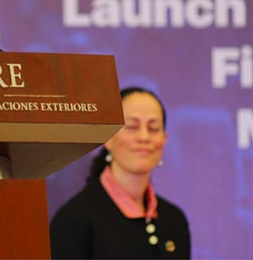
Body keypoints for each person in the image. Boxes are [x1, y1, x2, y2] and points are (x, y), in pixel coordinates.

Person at [49, 86, 191, 259]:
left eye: (153, 128)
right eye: (132, 126)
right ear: (108, 137)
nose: (144, 137)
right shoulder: (74, 221)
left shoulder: (174, 220)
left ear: (164, 139)